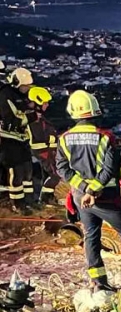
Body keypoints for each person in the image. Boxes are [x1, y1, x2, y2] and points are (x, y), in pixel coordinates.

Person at [55, 91, 121, 291]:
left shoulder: (64, 139)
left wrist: (84, 188)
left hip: (80, 197)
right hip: (105, 197)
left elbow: (62, 168)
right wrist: (93, 190)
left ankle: (98, 282)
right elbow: (109, 168)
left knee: (91, 235)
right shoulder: (105, 137)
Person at [0, 68, 35, 210]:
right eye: (24, 86)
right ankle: (18, 205)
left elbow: (21, 112)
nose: (26, 89)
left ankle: (29, 201)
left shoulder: (15, 94)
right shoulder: (5, 94)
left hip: (21, 139)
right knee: (16, 172)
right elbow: (11, 120)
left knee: (27, 171)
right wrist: (32, 116)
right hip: (9, 139)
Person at [27, 87, 60, 206]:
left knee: (48, 175)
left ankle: (47, 198)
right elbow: (38, 138)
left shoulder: (37, 117)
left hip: (45, 151)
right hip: (42, 151)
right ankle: (46, 199)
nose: (47, 105)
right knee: (55, 175)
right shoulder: (33, 118)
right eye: (45, 102)